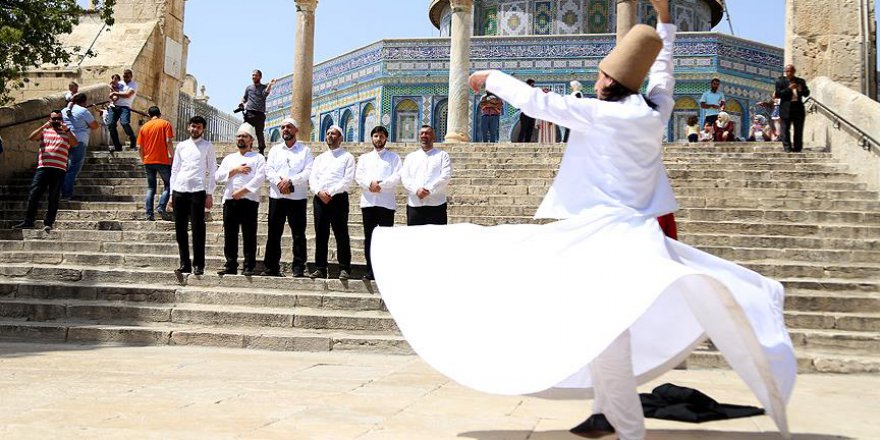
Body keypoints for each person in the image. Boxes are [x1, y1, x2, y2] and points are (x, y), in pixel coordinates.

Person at [371, 2, 796, 439]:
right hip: (638, 237)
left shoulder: (602, 113)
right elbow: (664, 74)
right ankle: (606, 414)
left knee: (601, 332)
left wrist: (488, 78)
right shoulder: (654, 113)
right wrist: (666, 23)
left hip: (605, 242)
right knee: (604, 328)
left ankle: (629, 429)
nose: (594, 84)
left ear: (611, 83)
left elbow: (539, 103)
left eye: (599, 78)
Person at [263, 117, 314, 277]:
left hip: (297, 198)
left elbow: (308, 171)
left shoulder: (305, 151)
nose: (285, 129)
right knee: (274, 233)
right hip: (277, 197)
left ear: (296, 130)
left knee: (298, 234)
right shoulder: (274, 150)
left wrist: (290, 181)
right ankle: (271, 267)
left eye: (289, 127)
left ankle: (298, 268)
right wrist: (280, 183)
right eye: (283, 127)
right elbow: (269, 169)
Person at [215, 123, 266, 277]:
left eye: (244, 136)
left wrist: (243, 191)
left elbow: (260, 177)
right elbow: (217, 176)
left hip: (249, 200)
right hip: (230, 200)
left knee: (249, 234)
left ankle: (249, 266)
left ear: (251, 140)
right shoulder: (230, 158)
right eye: (239, 136)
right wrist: (235, 170)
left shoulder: (258, 158)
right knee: (230, 234)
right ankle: (230, 264)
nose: (241, 139)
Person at [168, 115, 217, 276]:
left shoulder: (207, 146)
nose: (195, 129)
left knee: (198, 228)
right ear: (188, 127)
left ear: (203, 129)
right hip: (180, 190)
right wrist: (170, 194)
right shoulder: (181, 146)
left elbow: (213, 171)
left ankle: (199, 264)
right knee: (180, 229)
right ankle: (184, 263)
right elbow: (175, 169)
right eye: (192, 126)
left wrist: (209, 193)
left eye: (198, 127)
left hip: (197, 191)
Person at [13, 111, 78, 232]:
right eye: (54, 118)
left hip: (59, 169)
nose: (56, 121)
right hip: (43, 168)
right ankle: (28, 221)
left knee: (53, 197)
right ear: (50, 119)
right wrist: (44, 126)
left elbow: (74, 143)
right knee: (34, 194)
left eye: (58, 118)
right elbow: (31, 137)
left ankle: (49, 222)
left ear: (62, 119)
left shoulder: (67, 133)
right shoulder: (44, 131)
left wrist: (67, 130)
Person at [308, 125, 355, 280]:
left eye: (333, 134)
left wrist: (331, 192)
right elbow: (312, 178)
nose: (329, 136)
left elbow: (347, 180)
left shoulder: (347, 157)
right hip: (320, 199)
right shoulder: (320, 158)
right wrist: (319, 192)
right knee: (321, 234)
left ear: (340, 138)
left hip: (338, 199)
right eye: (328, 133)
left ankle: (344, 268)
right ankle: (320, 268)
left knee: (341, 234)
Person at [356, 125, 401, 281]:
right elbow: (359, 176)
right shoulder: (364, 158)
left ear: (386, 138)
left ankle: (384, 271)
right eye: (376, 136)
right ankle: (370, 271)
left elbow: (397, 177)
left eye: (381, 136)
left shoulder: (394, 158)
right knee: (369, 238)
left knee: (385, 239)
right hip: (368, 203)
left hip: (386, 203)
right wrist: (370, 184)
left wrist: (380, 185)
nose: (379, 139)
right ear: (372, 138)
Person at [400, 126, 452, 226]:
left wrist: (428, 190)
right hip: (415, 204)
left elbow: (446, 175)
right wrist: (416, 190)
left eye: (427, 133)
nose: (424, 136)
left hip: (436, 204)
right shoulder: (411, 157)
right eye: (422, 133)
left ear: (434, 137)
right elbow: (405, 177)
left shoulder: (442, 155)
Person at [136, 106, 175, 221]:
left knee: (150, 188)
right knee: (169, 185)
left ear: (149, 115)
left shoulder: (144, 127)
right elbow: (168, 141)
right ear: (160, 114)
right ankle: (161, 206)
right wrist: (173, 156)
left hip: (148, 161)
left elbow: (139, 147)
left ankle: (149, 214)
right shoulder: (165, 124)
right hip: (162, 160)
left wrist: (143, 158)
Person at [61, 93, 99, 201]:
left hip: (65, 140)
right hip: (79, 141)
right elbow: (95, 126)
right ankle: (66, 194)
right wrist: (86, 125)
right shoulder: (83, 111)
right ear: (84, 102)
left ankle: (60, 191)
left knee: (64, 167)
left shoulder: (63, 111)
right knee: (73, 168)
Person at [775, 64, 810, 153]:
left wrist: (800, 89)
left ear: (794, 71)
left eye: (790, 71)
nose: (789, 73)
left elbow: (806, 93)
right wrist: (789, 89)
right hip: (786, 108)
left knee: (798, 129)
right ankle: (787, 148)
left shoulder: (800, 81)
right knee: (785, 129)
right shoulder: (780, 82)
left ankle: (797, 148)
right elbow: (778, 95)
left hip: (798, 108)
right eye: (787, 71)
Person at [241, 69, 276, 155]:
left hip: (260, 113)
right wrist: (241, 103)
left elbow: (266, 93)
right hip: (249, 112)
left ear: (260, 77)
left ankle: (261, 149)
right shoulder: (249, 88)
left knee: (259, 132)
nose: (254, 77)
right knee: (247, 131)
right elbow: (244, 98)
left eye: (256, 75)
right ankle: (247, 147)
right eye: (253, 75)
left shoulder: (263, 87)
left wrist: (270, 85)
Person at [108, 69, 138, 151]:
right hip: (114, 106)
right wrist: (112, 90)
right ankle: (117, 145)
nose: (125, 78)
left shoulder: (133, 85)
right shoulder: (119, 83)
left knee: (124, 123)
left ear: (131, 76)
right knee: (110, 125)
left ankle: (132, 138)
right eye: (124, 76)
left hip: (125, 106)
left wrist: (115, 93)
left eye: (127, 76)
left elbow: (127, 95)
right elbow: (112, 90)